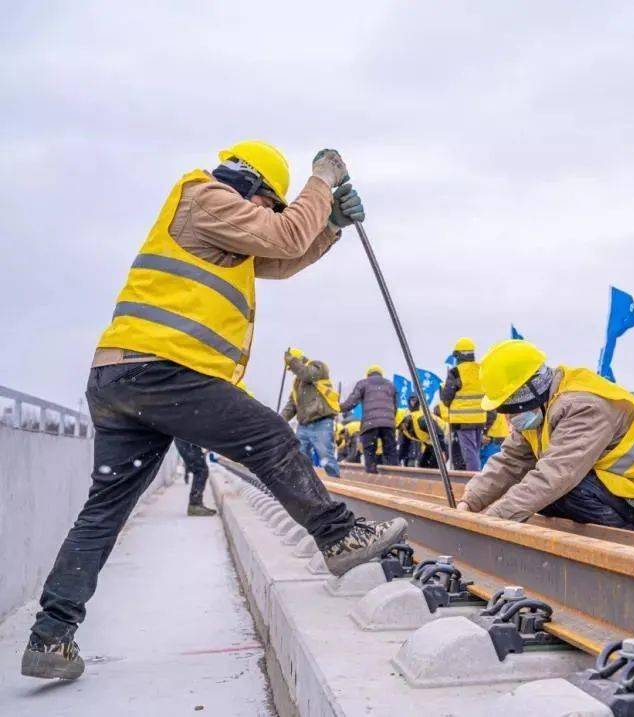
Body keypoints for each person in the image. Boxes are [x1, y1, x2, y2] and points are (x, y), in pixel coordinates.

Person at [22, 142, 407, 682]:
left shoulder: (219, 224)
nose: (269, 214)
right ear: (251, 183)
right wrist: (321, 182)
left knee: (104, 511)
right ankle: (339, 536)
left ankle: (50, 635)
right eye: (269, 203)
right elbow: (284, 235)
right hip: (161, 369)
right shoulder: (205, 195)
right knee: (271, 437)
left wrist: (329, 228)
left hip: (120, 377)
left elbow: (280, 258)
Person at [456, 340, 634, 534]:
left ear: (526, 392)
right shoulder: (537, 408)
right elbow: (511, 462)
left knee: (559, 491)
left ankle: (629, 542)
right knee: (537, 496)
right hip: (626, 490)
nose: (509, 417)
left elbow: (555, 475)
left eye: (509, 406)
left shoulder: (583, 406)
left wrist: (491, 521)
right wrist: (470, 502)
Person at [280, 348, 341, 478]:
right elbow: (292, 405)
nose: (292, 371)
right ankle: (306, 483)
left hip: (321, 421)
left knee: (325, 455)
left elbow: (308, 375)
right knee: (300, 456)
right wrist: (279, 420)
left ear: (298, 360)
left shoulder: (317, 366)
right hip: (304, 425)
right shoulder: (297, 383)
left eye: (292, 366)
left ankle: (335, 480)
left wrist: (291, 361)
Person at [340, 365, 399, 473]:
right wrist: (389, 420)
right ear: (381, 374)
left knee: (370, 452)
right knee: (390, 451)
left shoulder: (363, 383)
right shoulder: (390, 385)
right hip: (388, 424)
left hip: (370, 424)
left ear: (368, 374)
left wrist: (339, 408)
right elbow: (395, 406)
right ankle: (395, 475)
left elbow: (352, 401)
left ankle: (371, 475)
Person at [441, 337, 485, 471]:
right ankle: (477, 476)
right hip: (480, 418)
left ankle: (473, 478)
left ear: (458, 355)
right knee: (475, 452)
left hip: (463, 420)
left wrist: (443, 395)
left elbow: (447, 397)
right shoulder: (480, 369)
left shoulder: (456, 372)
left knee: (469, 453)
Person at [399, 395, 448, 468]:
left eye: (401, 425)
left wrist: (442, 451)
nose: (402, 428)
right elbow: (404, 445)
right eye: (399, 427)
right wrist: (398, 460)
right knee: (423, 465)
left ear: (405, 420)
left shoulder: (421, 420)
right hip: (431, 442)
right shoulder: (404, 429)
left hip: (445, 438)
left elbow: (439, 433)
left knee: (434, 465)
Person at [173, 439, 216, 516]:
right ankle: (195, 505)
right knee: (201, 470)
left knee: (200, 469)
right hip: (187, 441)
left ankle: (195, 504)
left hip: (187, 441)